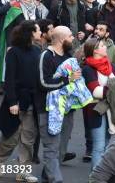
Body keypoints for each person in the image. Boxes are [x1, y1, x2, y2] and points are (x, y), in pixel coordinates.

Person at [0, 20, 41, 183]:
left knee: (28, 138)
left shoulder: (37, 50)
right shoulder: (13, 52)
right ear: (31, 33)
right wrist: (12, 102)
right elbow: (10, 79)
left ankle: (23, 172)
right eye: (38, 30)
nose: (40, 33)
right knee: (11, 136)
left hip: (32, 101)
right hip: (17, 101)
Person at [36, 26, 80, 183]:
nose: (73, 38)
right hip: (48, 111)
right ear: (62, 39)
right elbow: (43, 83)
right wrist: (67, 80)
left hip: (67, 110)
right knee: (51, 148)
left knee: (59, 150)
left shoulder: (68, 55)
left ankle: (46, 178)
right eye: (70, 36)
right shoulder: (46, 56)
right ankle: (56, 180)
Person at [81, 38, 115, 170]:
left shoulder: (110, 65)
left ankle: (101, 174)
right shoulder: (88, 69)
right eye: (103, 45)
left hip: (111, 108)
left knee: (105, 144)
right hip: (95, 110)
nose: (106, 47)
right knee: (98, 146)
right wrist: (113, 88)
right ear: (95, 50)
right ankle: (96, 178)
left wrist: (114, 88)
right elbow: (96, 91)